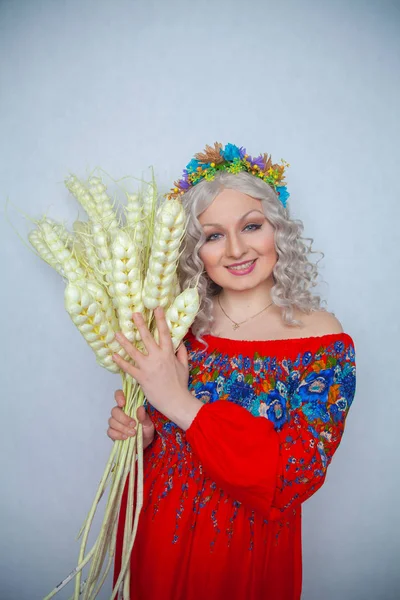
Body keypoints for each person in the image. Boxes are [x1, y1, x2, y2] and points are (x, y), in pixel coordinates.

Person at [109, 142, 356, 600]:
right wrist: (142, 436)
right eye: (213, 235)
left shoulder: (320, 339)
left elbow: (295, 474)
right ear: (194, 249)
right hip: (158, 526)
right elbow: (164, 437)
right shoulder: (178, 325)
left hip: (244, 544)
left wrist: (181, 405)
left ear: (278, 231)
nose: (236, 249)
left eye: (252, 226)